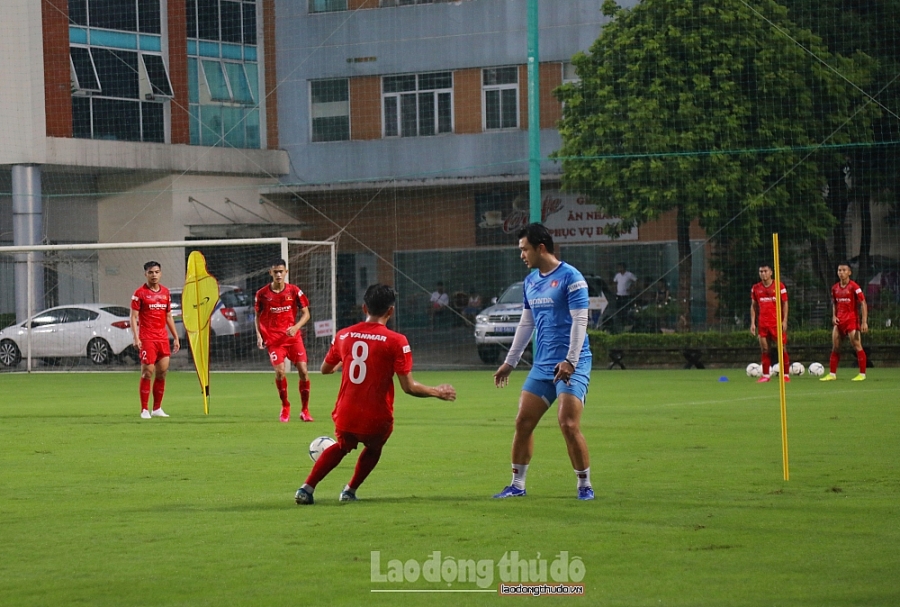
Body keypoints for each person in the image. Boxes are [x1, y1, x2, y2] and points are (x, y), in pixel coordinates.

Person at [294, 284, 456, 505]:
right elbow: (408, 387)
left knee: (341, 446)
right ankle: (349, 491)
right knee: (374, 447)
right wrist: (436, 392)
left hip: (346, 413)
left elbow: (325, 369)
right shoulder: (397, 341)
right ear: (391, 311)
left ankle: (306, 488)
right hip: (376, 416)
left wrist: (342, 362)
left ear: (364, 308)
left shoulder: (344, 335)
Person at [492, 223, 594, 501]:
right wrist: (510, 362)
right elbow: (527, 324)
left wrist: (571, 361)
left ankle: (584, 485)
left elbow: (580, 321)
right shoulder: (530, 282)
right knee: (523, 421)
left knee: (568, 424)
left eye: (524, 249)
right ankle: (517, 484)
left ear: (541, 248)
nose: (521, 255)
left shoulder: (571, 277)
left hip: (573, 363)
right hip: (542, 365)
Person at [255, 258, 313, 422]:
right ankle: (285, 406)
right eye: (275, 271)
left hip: (293, 338)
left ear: (286, 272)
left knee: (303, 371)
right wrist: (259, 335)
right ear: (271, 273)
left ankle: (305, 410)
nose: (279, 274)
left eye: (281, 271)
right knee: (280, 372)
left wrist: (296, 327)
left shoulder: (294, 291)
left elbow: (306, 314)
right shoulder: (262, 294)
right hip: (274, 339)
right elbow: (257, 316)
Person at [130, 261, 180, 419]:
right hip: (147, 338)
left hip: (162, 338)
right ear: (145, 274)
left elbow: (168, 316)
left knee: (162, 372)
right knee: (147, 372)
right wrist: (136, 337)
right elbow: (133, 317)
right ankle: (144, 409)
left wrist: (176, 337)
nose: (154, 275)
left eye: (157, 272)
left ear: (161, 273)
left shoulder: (165, 292)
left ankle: (157, 408)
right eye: (151, 272)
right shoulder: (139, 293)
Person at [821, 262, 868, 382]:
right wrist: (833, 316)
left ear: (849, 272)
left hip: (851, 321)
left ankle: (862, 374)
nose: (841, 273)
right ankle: (832, 374)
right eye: (839, 270)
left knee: (857, 345)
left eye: (844, 270)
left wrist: (864, 322)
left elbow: (863, 303)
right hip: (839, 321)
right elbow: (835, 304)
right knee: (835, 347)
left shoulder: (854, 287)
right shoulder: (835, 288)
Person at [749, 264, 791, 383]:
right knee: (765, 349)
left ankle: (786, 374)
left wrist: (784, 320)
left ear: (771, 272)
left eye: (765, 271)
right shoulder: (756, 288)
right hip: (763, 324)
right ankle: (766, 375)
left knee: (781, 348)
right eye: (761, 271)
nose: (763, 273)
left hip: (776, 323)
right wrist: (753, 323)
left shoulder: (779, 286)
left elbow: (785, 303)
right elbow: (753, 306)